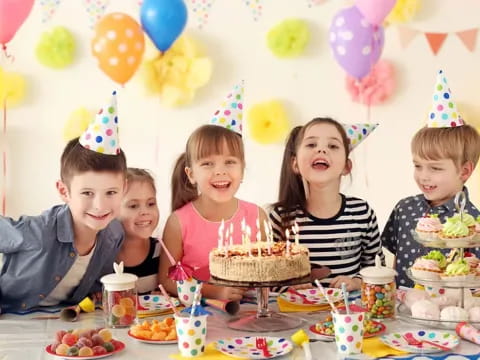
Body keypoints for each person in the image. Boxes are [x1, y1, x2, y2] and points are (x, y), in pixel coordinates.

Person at [0, 92, 127, 313]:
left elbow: (100, 278)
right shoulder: (38, 232)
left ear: (123, 189)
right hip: (13, 318)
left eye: (111, 192)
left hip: (64, 321)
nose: (100, 205)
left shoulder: (114, 234)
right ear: (64, 191)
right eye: (87, 192)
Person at [159, 83, 267, 301]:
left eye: (230, 162)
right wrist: (214, 291)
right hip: (196, 317)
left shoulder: (256, 216)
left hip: (249, 315)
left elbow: (268, 271)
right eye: (208, 164)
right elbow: (167, 280)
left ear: (242, 169)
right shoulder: (179, 222)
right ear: (191, 174)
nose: (220, 171)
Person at [382, 70, 480, 287]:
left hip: (445, 314)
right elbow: (394, 262)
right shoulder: (404, 208)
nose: (423, 176)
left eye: (435, 168)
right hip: (402, 310)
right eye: (418, 165)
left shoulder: (472, 223)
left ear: (464, 171)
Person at [269, 117, 383, 291]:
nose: (321, 149)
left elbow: (377, 269)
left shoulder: (362, 213)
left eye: (333, 146)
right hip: (295, 314)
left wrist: (356, 282)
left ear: (346, 166)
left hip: (347, 314)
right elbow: (266, 279)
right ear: (295, 164)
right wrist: (289, 287)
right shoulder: (280, 216)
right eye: (311, 144)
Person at [117, 168, 160, 294]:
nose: (145, 211)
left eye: (151, 203)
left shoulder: (162, 252)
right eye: (133, 206)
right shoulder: (103, 257)